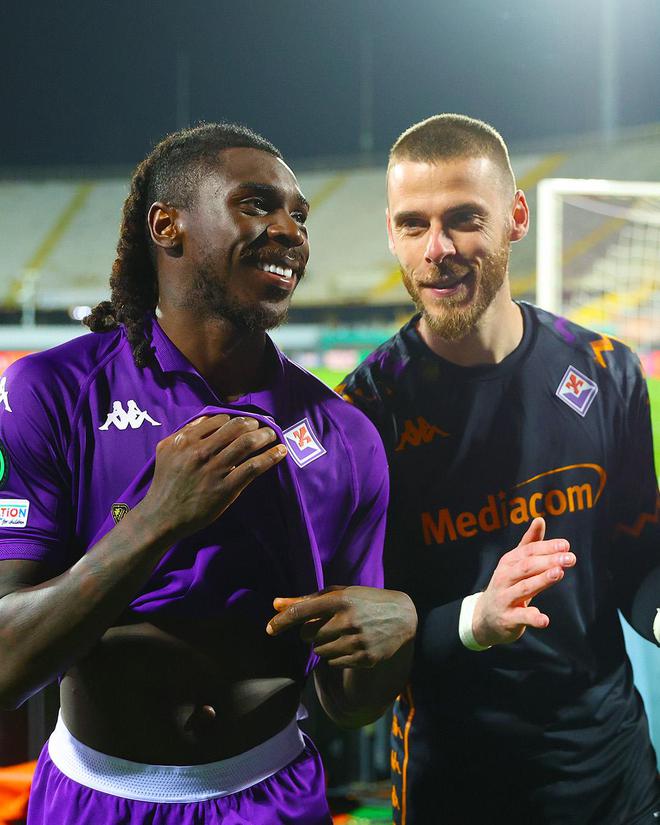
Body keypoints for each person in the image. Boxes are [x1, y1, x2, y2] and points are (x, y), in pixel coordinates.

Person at [0, 123, 417, 824]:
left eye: (300, 216)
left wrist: (392, 641)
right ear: (167, 226)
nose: (291, 231)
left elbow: (350, 704)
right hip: (96, 797)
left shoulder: (347, 439)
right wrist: (156, 521)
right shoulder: (53, 392)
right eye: (256, 204)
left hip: (274, 795)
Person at [339, 114, 660, 824]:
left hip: (611, 777)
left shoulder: (607, 372)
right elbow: (361, 643)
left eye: (463, 219)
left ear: (516, 217)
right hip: (456, 784)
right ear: (391, 233)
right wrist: (473, 621)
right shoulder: (362, 417)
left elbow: (638, 555)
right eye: (414, 224)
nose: (438, 249)